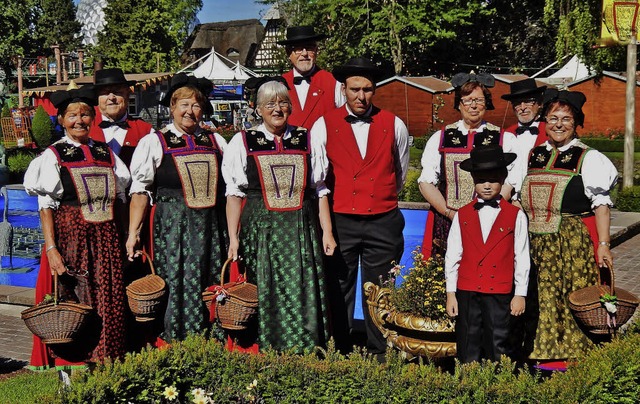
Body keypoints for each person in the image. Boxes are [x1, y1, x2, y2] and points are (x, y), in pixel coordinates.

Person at [24, 85, 131, 371]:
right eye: (72, 115)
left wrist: (124, 237)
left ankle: (110, 356)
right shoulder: (54, 156)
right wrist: (51, 248)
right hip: (73, 238)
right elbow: (46, 205)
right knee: (79, 298)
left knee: (109, 296)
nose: (79, 121)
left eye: (85, 115)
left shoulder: (104, 153)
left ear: (92, 119)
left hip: (107, 238)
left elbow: (120, 196)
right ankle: (78, 362)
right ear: (61, 120)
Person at [310, 57, 410, 356]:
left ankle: (380, 350)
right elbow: (319, 179)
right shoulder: (323, 125)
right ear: (344, 89)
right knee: (338, 287)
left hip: (384, 219)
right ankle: (338, 348)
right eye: (355, 89)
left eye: (367, 90)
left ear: (374, 90)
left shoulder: (395, 124)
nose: (361, 96)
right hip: (341, 221)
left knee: (380, 289)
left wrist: (380, 195)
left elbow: (400, 172)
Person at [222, 77, 330, 352]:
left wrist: (327, 231)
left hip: (301, 231)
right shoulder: (242, 141)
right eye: (270, 103)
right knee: (264, 287)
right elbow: (234, 194)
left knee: (302, 289)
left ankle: (305, 350)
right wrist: (233, 237)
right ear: (258, 109)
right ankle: (266, 351)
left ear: (290, 107)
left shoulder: (307, 139)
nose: (277, 109)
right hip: (262, 232)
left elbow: (319, 190)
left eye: (283, 102)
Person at [126, 73, 228, 342]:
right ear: (172, 108)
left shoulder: (216, 141)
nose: (190, 111)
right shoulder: (154, 142)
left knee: (209, 279)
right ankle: (173, 341)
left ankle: (210, 340)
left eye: (195, 105)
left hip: (211, 230)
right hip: (172, 230)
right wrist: (133, 233)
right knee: (175, 282)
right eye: (183, 104)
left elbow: (231, 187)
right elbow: (140, 191)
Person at [520, 89, 617, 362]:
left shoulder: (588, 157)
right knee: (536, 300)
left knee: (566, 300)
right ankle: (535, 357)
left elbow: (601, 205)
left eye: (565, 118)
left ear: (576, 124)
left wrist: (604, 245)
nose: (558, 124)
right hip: (533, 243)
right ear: (545, 121)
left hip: (569, 245)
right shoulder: (534, 155)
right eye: (552, 118)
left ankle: (570, 362)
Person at [444, 145, 530, 363]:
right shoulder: (461, 215)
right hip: (467, 291)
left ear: (503, 178)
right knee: (467, 342)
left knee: (498, 343)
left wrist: (520, 293)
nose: (487, 186)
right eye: (481, 180)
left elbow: (522, 256)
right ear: (473, 180)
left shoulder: (516, 215)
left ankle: (498, 387)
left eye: (493, 179)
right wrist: (450, 293)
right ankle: (468, 385)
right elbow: (452, 256)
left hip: (500, 291)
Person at [418, 72, 518, 259]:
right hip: (448, 220)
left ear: (486, 104)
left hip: (491, 219)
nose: (473, 106)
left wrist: (489, 211)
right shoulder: (440, 138)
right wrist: (449, 213)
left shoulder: (504, 138)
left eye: (479, 100)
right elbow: (426, 182)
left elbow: (512, 181)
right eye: (467, 100)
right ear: (458, 104)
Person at [278, 26, 345, 128]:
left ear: (316, 51)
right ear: (288, 53)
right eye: (299, 49)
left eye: (309, 48)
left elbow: (343, 120)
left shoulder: (334, 83)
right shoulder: (279, 84)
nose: (305, 54)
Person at [89, 68, 155, 167]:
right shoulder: (85, 128)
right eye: (105, 93)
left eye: (117, 92)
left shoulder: (147, 131)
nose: (111, 97)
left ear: (127, 96)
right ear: (97, 98)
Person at [501, 78, 547, 200]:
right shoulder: (505, 135)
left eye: (528, 102)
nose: (522, 107)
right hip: (510, 199)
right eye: (517, 103)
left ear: (539, 103)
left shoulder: (551, 133)